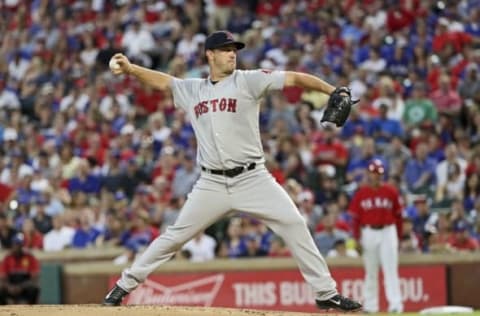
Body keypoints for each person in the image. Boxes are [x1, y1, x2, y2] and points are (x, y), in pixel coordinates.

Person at [102, 30, 361, 312]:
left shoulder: (249, 80)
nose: (232, 53)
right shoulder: (193, 89)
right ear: (209, 54)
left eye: (234, 49)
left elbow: (295, 77)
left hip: (253, 178)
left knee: (295, 224)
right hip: (211, 183)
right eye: (225, 49)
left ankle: (326, 292)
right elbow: (164, 82)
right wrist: (131, 69)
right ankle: (124, 286)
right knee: (174, 236)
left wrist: (333, 89)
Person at [348, 159, 403, 313]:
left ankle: (395, 305)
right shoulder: (361, 194)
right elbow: (355, 220)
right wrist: (356, 238)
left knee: (390, 269)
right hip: (368, 232)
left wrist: (397, 237)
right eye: (373, 173)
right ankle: (371, 307)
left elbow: (398, 217)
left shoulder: (391, 191)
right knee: (370, 271)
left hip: (388, 231)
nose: (376, 176)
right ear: (368, 174)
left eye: (378, 173)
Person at [0, 233, 40, 305]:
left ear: (22, 245)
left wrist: (21, 287)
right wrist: (9, 287)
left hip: (24, 287)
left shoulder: (29, 257)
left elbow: (34, 278)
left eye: (19, 244)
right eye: (15, 244)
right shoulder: (7, 258)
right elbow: (3, 277)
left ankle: (32, 311)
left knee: (34, 288)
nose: (17, 247)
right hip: (10, 286)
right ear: (12, 245)